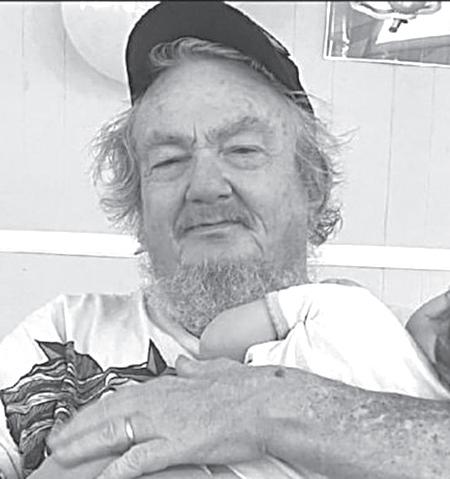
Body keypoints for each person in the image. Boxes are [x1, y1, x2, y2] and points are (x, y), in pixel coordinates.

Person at [1, 2, 450, 478]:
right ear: (138, 206)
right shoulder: (58, 340)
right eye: (169, 160)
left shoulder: (395, 344)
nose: (205, 186)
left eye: (242, 150)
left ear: (312, 185)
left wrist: (275, 409)